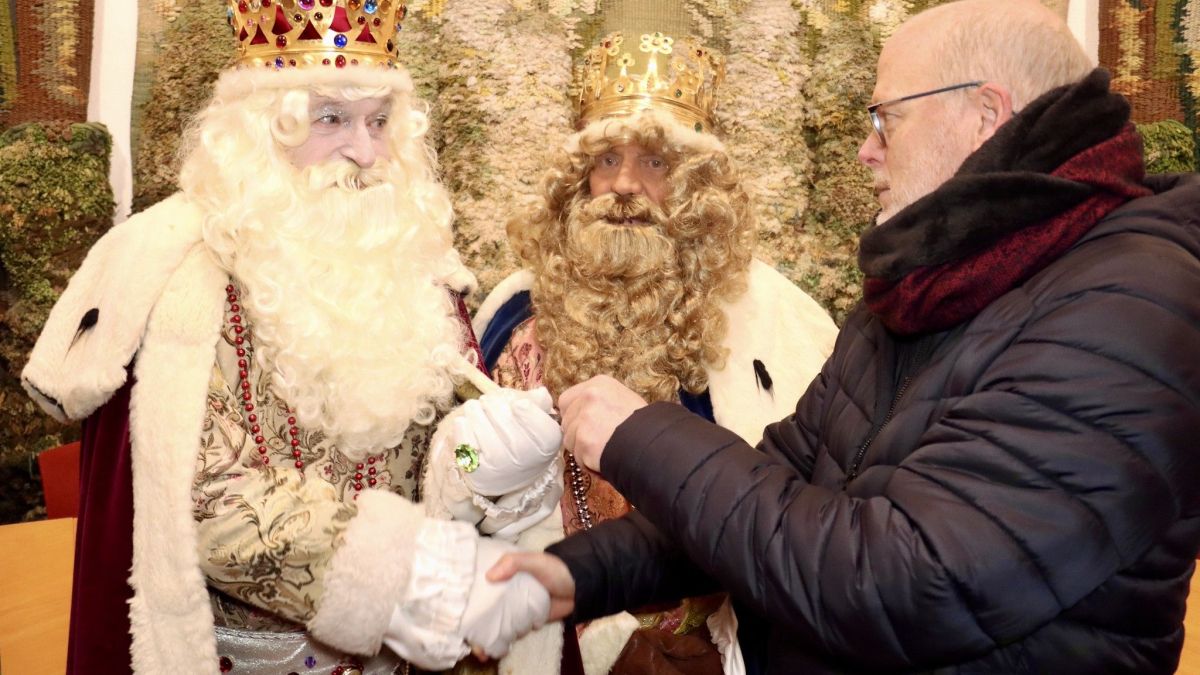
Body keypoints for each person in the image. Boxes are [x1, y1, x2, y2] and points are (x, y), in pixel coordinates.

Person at [487, 1, 1200, 673]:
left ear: (985, 115)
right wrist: (572, 574)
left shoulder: (1128, 311)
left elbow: (908, 583)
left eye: (885, 120)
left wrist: (641, 437)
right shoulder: (928, 284)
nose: (865, 150)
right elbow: (782, 482)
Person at [21, 1, 553, 672]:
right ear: (257, 132)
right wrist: (411, 572)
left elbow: (445, 467)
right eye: (331, 119)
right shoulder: (183, 281)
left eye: (379, 122)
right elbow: (204, 501)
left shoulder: (416, 268)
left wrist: (484, 465)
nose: (364, 151)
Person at [421, 29, 838, 675]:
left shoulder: (777, 322)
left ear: (698, 187)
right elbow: (454, 473)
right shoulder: (511, 312)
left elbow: (807, 522)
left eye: (655, 163)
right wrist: (477, 468)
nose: (623, 185)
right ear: (576, 179)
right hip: (538, 640)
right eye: (606, 159)